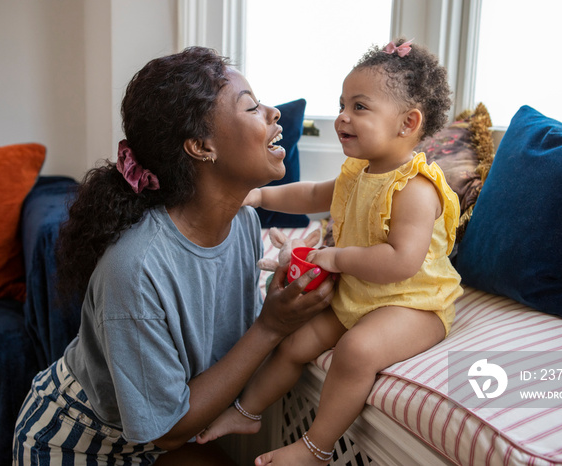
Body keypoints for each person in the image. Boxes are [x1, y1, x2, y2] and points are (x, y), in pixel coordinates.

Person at [11, 46, 334, 465]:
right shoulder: (134, 269)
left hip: (153, 441)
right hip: (72, 444)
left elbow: (227, 337)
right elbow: (167, 429)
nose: (273, 113)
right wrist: (271, 326)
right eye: (252, 107)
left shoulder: (243, 224)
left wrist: (281, 293)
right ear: (201, 147)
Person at [196, 38, 464, 465]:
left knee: (356, 352)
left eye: (359, 107)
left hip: (413, 303)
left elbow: (402, 262)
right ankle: (246, 413)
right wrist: (261, 197)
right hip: (361, 292)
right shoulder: (359, 170)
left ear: (407, 123)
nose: (342, 117)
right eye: (342, 105)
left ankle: (315, 448)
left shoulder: (415, 188)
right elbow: (315, 194)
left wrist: (336, 258)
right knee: (296, 341)